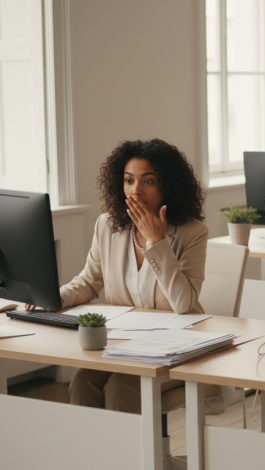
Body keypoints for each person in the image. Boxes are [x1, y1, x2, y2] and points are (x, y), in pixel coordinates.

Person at [27, 139, 209, 413]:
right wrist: (56, 298)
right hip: (123, 342)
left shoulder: (192, 232)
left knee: (120, 387)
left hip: (175, 345)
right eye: (128, 180)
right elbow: (90, 281)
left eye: (148, 181)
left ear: (168, 185)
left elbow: (183, 304)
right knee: (82, 382)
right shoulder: (108, 225)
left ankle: (131, 457)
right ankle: (95, 457)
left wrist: (157, 243)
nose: (135, 191)